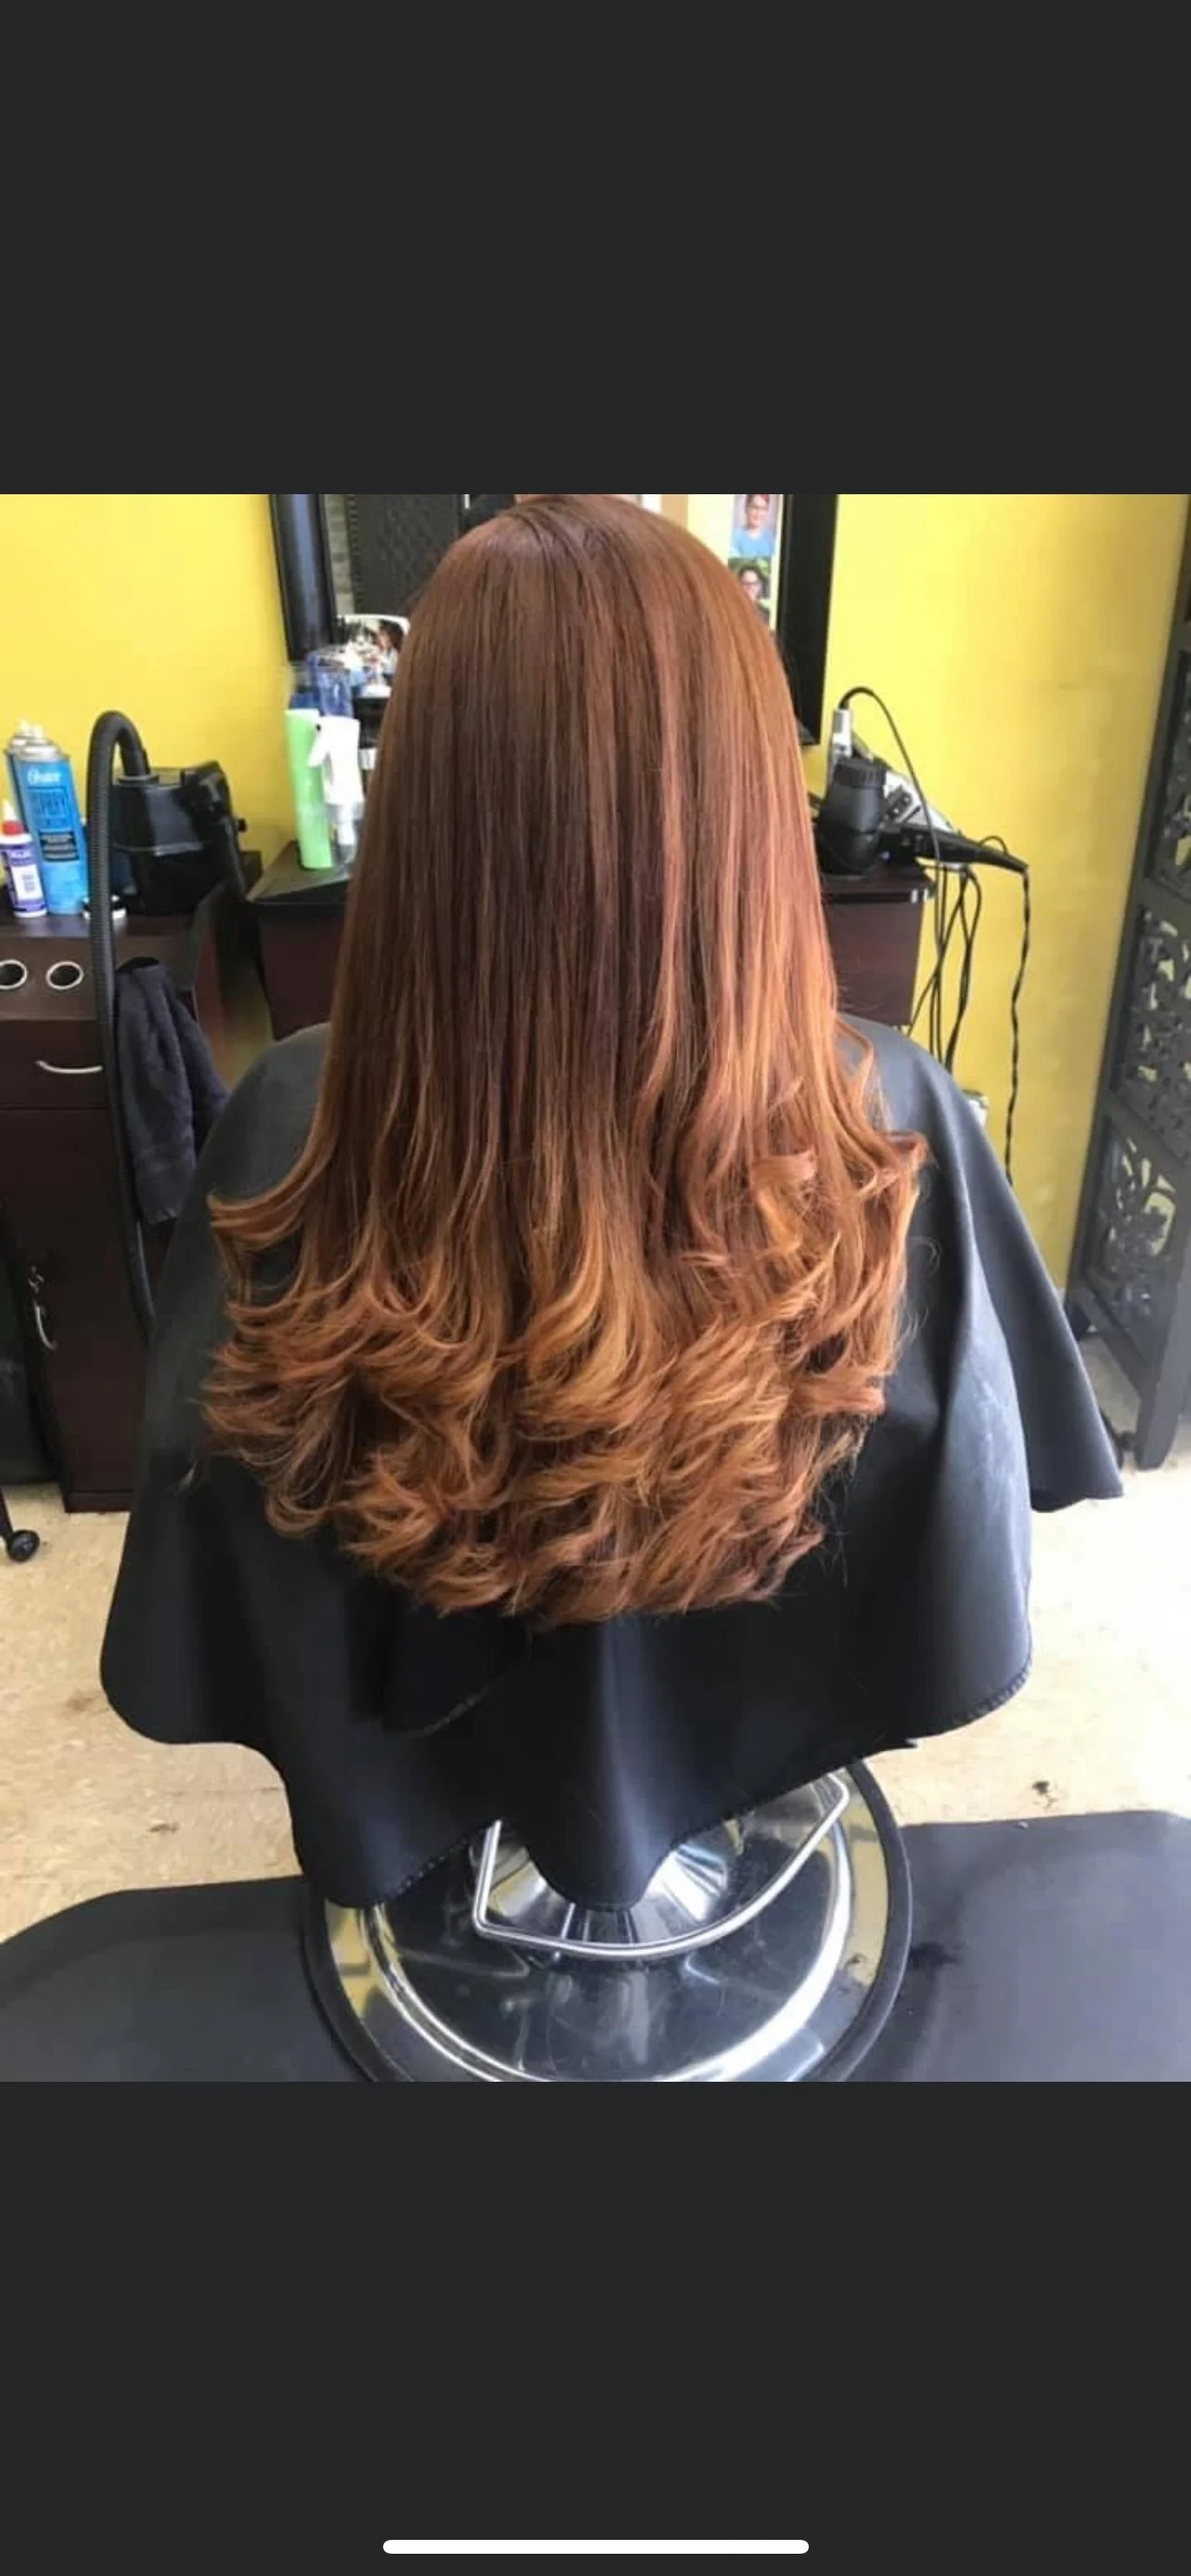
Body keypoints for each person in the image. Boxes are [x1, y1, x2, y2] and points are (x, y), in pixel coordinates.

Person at [102, 494, 1119, 1914]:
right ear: (744, 800)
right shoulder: (893, 1110)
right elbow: (974, 1493)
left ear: (429, 799)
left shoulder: (287, 1109)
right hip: (751, 1685)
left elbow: (208, 1504)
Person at [730, 491, 776, 558]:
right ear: (746, 508)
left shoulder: (770, 540)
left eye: (763, 508)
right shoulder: (735, 537)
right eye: (755, 507)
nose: (758, 513)